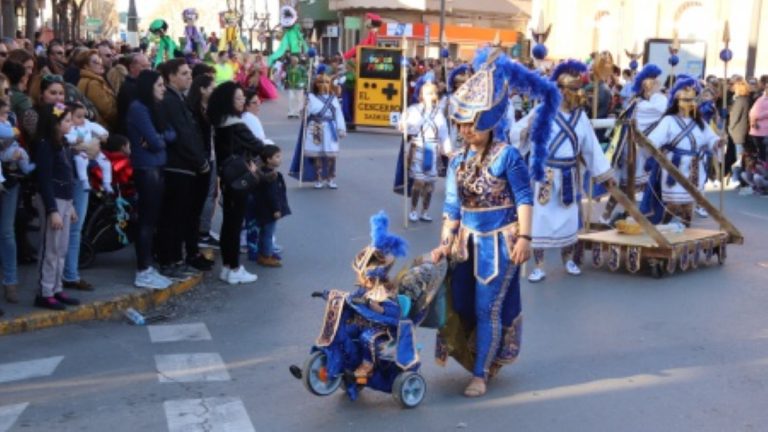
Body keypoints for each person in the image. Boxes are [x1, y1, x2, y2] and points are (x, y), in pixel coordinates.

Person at [431, 47, 560, 397]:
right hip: (465, 243)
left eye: (472, 123)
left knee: (488, 306)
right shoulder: (457, 160)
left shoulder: (508, 156)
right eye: (461, 124)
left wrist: (525, 237)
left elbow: (524, 197)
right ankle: (476, 356)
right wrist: (445, 242)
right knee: (461, 303)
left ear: (489, 121)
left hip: (499, 244)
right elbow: (452, 205)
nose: (466, 130)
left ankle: (481, 373)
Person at [514, 60, 614, 282]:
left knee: (569, 219)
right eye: (574, 90)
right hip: (545, 175)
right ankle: (539, 265)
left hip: (570, 173)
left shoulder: (581, 117)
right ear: (561, 90)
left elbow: (591, 147)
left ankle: (568, 259)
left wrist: (603, 173)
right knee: (540, 219)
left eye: (579, 89)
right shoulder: (543, 111)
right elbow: (518, 131)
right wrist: (525, 133)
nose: (579, 94)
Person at [156, 58, 212, 277]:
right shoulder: (170, 100)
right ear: (171, 76)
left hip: (186, 166)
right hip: (178, 166)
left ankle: (176, 259)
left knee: (180, 216)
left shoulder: (178, 98)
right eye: (184, 73)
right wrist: (201, 161)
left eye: (189, 73)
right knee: (172, 217)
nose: (189, 77)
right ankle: (169, 261)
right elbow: (183, 134)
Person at [643, 75, 724, 226]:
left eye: (692, 100)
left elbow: (710, 138)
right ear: (677, 101)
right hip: (674, 167)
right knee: (673, 204)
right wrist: (651, 147)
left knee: (689, 205)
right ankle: (663, 228)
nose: (690, 103)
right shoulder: (668, 121)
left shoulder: (699, 122)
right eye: (686, 100)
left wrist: (718, 143)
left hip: (694, 168)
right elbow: (653, 141)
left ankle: (686, 230)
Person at [208, 81, 265, 285]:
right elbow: (257, 145)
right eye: (239, 99)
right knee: (234, 224)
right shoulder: (235, 124)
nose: (243, 102)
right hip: (238, 177)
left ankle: (227, 267)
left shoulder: (220, 121)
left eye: (243, 98)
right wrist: (271, 152)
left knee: (229, 224)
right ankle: (234, 268)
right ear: (228, 101)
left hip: (226, 176)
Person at [126, 70, 176, 290]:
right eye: (159, 85)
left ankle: (147, 266)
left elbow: (170, 133)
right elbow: (155, 142)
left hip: (156, 165)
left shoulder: (154, 107)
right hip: (147, 168)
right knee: (146, 221)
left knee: (152, 219)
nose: (163, 88)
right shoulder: (138, 108)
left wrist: (159, 138)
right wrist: (159, 139)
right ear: (148, 87)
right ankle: (143, 270)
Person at [601, 63, 667, 223]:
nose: (659, 87)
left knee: (625, 185)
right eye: (656, 84)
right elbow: (663, 109)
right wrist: (659, 95)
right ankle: (631, 216)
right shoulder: (648, 105)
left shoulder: (636, 103)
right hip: (637, 151)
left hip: (629, 148)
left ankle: (609, 214)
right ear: (650, 87)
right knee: (633, 185)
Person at [33, 103, 80, 310]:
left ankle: (56, 287)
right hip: (54, 201)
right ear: (55, 124)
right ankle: (44, 291)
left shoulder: (63, 144)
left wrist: (71, 207)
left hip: (65, 201)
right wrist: (52, 210)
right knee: (50, 248)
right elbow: (44, 179)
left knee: (61, 248)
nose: (71, 124)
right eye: (67, 120)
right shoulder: (46, 145)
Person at [394, 77, 451, 222]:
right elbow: (404, 127)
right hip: (418, 148)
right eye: (428, 93)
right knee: (418, 181)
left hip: (433, 150)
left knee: (430, 184)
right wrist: (403, 125)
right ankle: (413, 209)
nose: (431, 96)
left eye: (433, 93)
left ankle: (424, 211)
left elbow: (444, 134)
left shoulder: (440, 114)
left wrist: (449, 150)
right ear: (421, 95)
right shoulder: (413, 110)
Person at [290, 68, 346, 189]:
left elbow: (338, 115)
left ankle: (331, 178)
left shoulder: (334, 98)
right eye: (320, 82)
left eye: (326, 82)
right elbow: (306, 114)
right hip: (315, 127)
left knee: (331, 155)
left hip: (330, 128)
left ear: (329, 84)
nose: (323, 85)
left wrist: (341, 129)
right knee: (317, 155)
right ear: (316, 84)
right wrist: (304, 107)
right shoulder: (311, 97)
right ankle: (318, 178)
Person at [250, 145, 290, 267]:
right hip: (269, 210)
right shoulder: (270, 177)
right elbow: (272, 195)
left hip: (262, 209)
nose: (280, 159)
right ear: (268, 159)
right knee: (268, 233)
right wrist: (276, 209)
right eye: (277, 157)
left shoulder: (263, 173)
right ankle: (266, 256)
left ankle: (264, 253)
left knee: (264, 232)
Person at [64, 102, 112, 194]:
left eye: (83, 116)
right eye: (79, 117)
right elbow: (67, 137)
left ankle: (107, 182)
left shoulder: (87, 123)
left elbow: (98, 128)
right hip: (80, 151)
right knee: (81, 161)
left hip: (93, 148)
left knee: (106, 162)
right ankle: (84, 181)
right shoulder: (69, 127)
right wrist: (75, 139)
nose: (82, 119)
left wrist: (103, 134)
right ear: (70, 117)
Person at [75, 49, 118, 130]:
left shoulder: (86, 79)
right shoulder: (93, 83)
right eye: (95, 62)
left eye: (100, 61)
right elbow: (107, 111)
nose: (100, 64)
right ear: (86, 66)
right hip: (101, 127)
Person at [728, 80, 752, 187]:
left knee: (739, 156)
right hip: (743, 130)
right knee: (741, 155)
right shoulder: (747, 99)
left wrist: (730, 127)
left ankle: (736, 178)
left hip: (738, 131)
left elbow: (735, 117)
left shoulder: (739, 101)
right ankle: (739, 177)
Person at [748, 78, 768, 163]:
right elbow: (752, 112)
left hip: (763, 131)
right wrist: (754, 119)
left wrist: (756, 117)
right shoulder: (760, 99)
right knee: (761, 154)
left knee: (762, 154)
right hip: (758, 131)